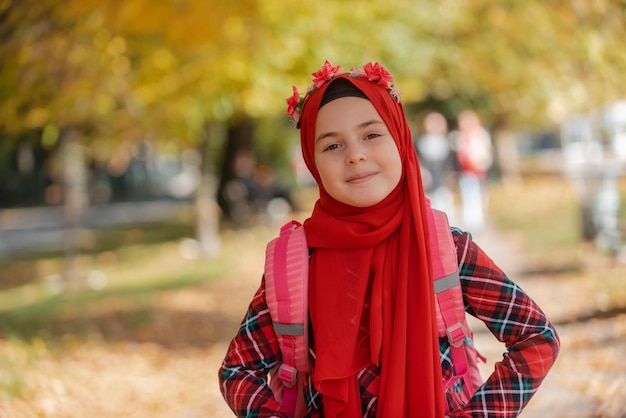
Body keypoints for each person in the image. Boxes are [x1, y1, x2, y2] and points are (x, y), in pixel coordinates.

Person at [218, 60, 560, 417]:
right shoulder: (297, 263)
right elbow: (237, 371)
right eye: (332, 146)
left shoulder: (445, 249)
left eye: (371, 135)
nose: (355, 155)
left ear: (399, 137)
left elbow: (536, 337)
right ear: (312, 161)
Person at [453, 110, 494, 230]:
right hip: (466, 171)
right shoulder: (459, 137)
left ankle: (478, 219)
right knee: (468, 194)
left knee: (479, 194)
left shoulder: (481, 135)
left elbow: (486, 152)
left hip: (480, 169)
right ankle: (470, 220)